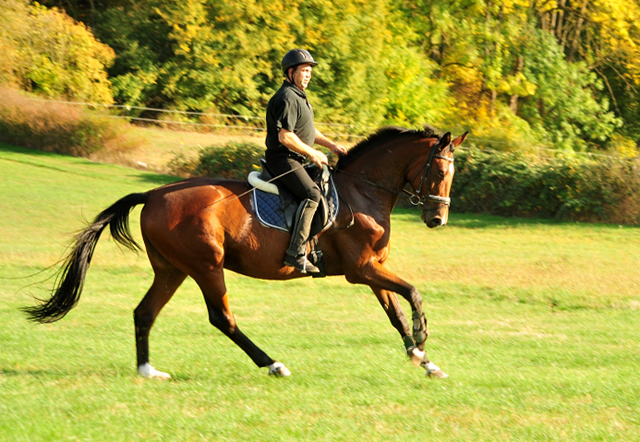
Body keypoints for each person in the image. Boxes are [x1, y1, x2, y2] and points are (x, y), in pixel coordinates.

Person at [265, 49, 347, 274]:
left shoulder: (299, 96)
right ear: (291, 72)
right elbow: (286, 136)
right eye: (304, 71)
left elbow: (308, 130)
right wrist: (312, 153)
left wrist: (330, 145)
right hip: (284, 159)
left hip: (296, 158)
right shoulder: (287, 97)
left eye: (310, 71)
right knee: (312, 194)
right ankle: (296, 253)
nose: (309, 75)